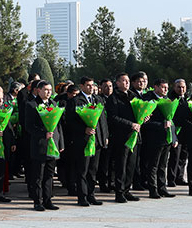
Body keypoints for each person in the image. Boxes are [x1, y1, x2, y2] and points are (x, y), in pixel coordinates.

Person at [65, 76, 106, 206]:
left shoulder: (98, 99)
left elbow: (103, 120)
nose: (91, 87)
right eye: (88, 85)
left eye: (92, 85)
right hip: (82, 140)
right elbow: (69, 121)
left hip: (96, 140)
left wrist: (104, 136)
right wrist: (84, 129)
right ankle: (82, 196)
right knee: (82, 169)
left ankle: (91, 194)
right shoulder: (75, 101)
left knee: (93, 170)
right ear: (81, 86)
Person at [25, 80, 63, 211]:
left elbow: (58, 125)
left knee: (49, 175)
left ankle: (48, 200)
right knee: (38, 175)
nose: (48, 92)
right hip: (40, 145)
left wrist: (60, 143)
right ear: (38, 90)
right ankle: (38, 201)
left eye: (50, 90)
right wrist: (43, 133)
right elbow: (29, 126)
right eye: (45, 90)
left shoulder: (53, 104)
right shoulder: (31, 105)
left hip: (53, 144)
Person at [106, 73, 142, 203]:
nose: (127, 83)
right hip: (121, 136)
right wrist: (130, 124)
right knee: (121, 165)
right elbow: (113, 118)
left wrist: (144, 118)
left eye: (128, 81)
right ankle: (119, 192)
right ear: (117, 83)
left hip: (134, 135)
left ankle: (127, 190)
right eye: (123, 81)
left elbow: (139, 112)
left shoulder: (133, 96)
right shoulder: (113, 98)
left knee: (131, 165)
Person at [141, 78, 177, 199]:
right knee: (153, 165)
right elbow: (145, 121)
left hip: (166, 138)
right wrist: (161, 125)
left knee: (163, 165)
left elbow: (171, 120)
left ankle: (162, 188)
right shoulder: (148, 99)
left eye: (167, 87)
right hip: (154, 138)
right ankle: (153, 189)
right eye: (163, 87)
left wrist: (174, 138)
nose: (166, 90)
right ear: (155, 87)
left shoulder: (167, 100)